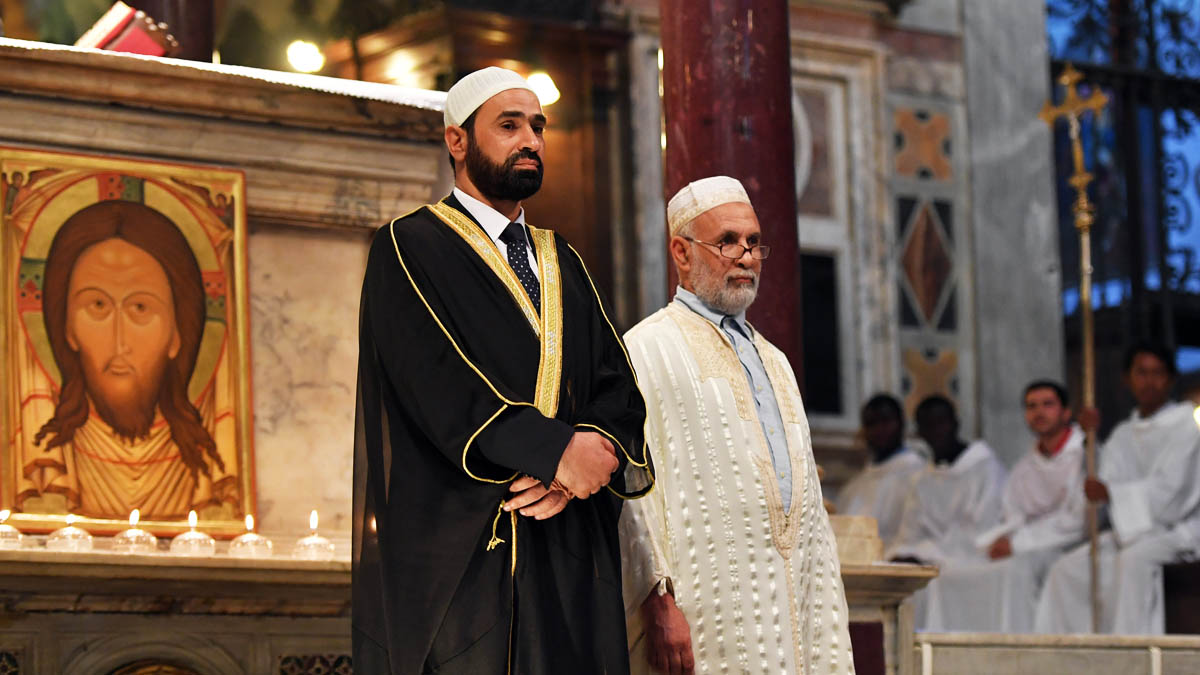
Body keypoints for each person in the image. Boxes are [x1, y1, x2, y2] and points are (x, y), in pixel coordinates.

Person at [352, 67, 654, 674]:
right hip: (469, 549)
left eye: (538, 128)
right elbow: (438, 382)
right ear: (457, 141)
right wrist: (553, 454)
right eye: (509, 125)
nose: (532, 141)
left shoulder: (561, 258)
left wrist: (588, 455)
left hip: (571, 542)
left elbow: (616, 384)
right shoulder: (409, 245)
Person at [619, 176, 854, 675]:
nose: (746, 256)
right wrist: (656, 598)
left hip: (796, 606)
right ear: (681, 253)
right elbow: (630, 492)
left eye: (752, 243)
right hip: (705, 617)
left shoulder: (776, 360)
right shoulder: (645, 348)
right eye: (727, 242)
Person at [26, 200, 233, 519]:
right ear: (67, 328)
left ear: (177, 334)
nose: (119, 341)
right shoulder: (55, 463)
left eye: (140, 308)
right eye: (97, 305)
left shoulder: (203, 472)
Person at [1035, 342, 1200, 634]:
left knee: (1132, 562)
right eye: (1141, 373)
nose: (1149, 381)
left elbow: (1173, 494)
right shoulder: (1123, 433)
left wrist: (1112, 493)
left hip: (1180, 530)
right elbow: (1106, 479)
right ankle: (1067, 656)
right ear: (1127, 379)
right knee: (1067, 569)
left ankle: (1131, 655)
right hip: (1132, 529)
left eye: (1158, 373)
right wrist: (1091, 438)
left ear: (1171, 379)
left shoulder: (1187, 427)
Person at [914, 381, 1086, 632]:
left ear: (1066, 412)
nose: (1039, 412)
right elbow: (1012, 517)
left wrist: (1016, 543)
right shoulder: (1024, 468)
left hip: (1071, 548)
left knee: (1016, 572)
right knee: (976, 571)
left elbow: (1078, 521)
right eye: (1031, 406)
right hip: (1029, 547)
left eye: (1048, 404)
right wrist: (998, 541)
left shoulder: (1085, 456)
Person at [836, 393, 926, 549]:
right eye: (871, 424)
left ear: (901, 423)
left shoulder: (920, 474)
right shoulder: (854, 487)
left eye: (885, 421)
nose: (879, 430)